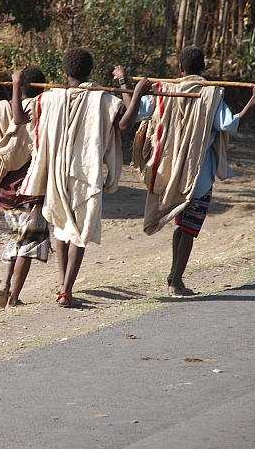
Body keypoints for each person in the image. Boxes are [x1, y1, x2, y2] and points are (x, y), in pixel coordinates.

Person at [12, 48, 152, 307]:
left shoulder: (51, 98)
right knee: (80, 229)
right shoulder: (103, 98)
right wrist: (127, 85)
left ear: (65, 72)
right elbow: (125, 125)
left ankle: (62, 284)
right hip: (87, 173)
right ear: (90, 71)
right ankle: (66, 289)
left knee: (63, 227)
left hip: (56, 173)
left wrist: (17, 84)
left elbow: (19, 117)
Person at [129, 46, 255, 296]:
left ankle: (174, 276)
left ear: (180, 69)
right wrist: (254, 100)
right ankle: (176, 282)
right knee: (189, 231)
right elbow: (231, 124)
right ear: (204, 67)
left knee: (182, 227)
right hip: (200, 179)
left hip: (172, 175)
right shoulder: (211, 94)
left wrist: (129, 86)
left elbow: (138, 111)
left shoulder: (164, 90)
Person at [0, 67, 51, 309]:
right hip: (30, 189)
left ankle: (4, 283)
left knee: (16, 237)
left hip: (4, 191)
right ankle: (13, 296)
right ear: (41, 89)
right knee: (29, 243)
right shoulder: (40, 112)